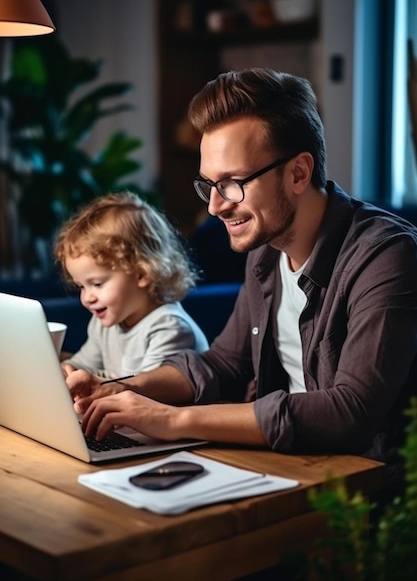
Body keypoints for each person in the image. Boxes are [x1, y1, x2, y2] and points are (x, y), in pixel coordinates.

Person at [65, 68, 417, 495]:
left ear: (299, 173)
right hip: (288, 470)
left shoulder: (387, 255)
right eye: (209, 185)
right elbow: (224, 365)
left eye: (232, 184)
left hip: (372, 501)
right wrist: (116, 389)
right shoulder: (264, 252)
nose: (214, 206)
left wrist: (172, 421)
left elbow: (350, 411)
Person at [54, 191, 208, 380]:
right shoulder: (105, 321)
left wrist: (87, 379)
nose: (87, 298)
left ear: (141, 274)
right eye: (81, 286)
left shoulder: (170, 328)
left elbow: (145, 393)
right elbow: (84, 365)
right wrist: (67, 370)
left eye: (97, 284)